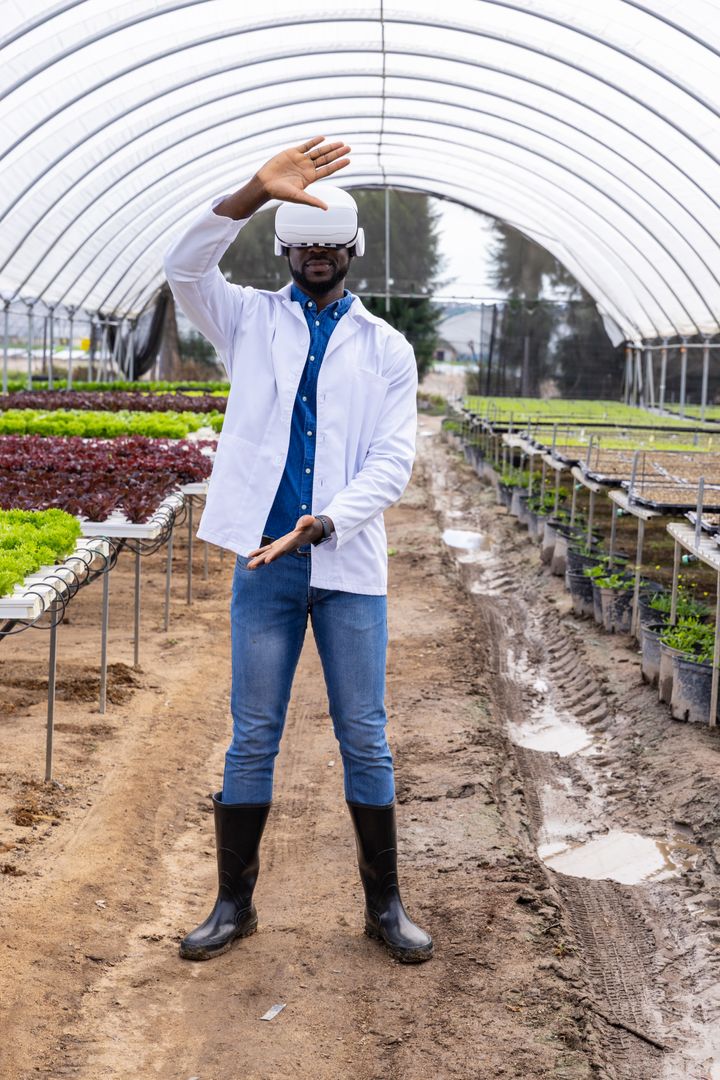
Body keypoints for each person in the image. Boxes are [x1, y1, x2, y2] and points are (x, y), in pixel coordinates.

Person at [163, 137, 433, 964]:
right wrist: (250, 190)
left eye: (331, 245)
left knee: (365, 735)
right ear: (287, 249)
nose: (318, 255)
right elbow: (182, 271)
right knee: (252, 734)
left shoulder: (386, 347)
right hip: (265, 569)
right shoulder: (248, 318)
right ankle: (233, 906)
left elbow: (393, 460)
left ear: (350, 252)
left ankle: (384, 908)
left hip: (345, 569)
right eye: (304, 243)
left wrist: (321, 524)